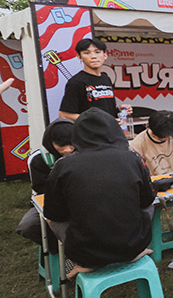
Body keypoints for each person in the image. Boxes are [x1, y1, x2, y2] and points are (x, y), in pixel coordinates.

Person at [44, 108, 155, 277]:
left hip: (85, 252)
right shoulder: (133, 157)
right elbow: (147, 200)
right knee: (147, 205)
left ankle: (84, 262)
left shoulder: (63, 165)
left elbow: (54, 214)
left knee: (51, 219)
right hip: (133, 244)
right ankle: (132, 253)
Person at [16, 119, 75, 251]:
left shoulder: (83, 153)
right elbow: (41, 190)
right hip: (49, 202)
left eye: (71, 144)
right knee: (27, 226)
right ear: (50, 142)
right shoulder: (38, 159)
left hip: (80, 200)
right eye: (61, 145)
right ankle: (58, 250)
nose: (67, 150)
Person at [58, 37, 130, 120]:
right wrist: (97, 122)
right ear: (80, 57)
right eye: (87, 53)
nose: (93, 56)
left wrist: (120, 110)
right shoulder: (76, 82)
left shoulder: (106, 78)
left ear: (105, 55)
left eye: (97, 52)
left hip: (110, 131)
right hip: (90, 132)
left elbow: (105, 110)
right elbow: (64, 115)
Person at [129, 110, 173, 176]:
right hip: (153, 182)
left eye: (169, 136)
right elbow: (135, 172)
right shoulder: (138, 144)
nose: (168, 138)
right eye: (165, 137)